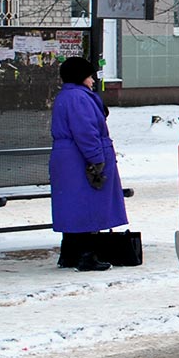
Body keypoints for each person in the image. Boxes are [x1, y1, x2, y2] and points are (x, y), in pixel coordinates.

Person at [50, 57, 127, 271]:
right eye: (89, 75)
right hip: (79, 158)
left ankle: (69, 253)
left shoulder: (67, 96)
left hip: (68, 157)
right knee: (87, 205)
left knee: (72, 205)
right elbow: (86, 131)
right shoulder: (79, 98)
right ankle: (86, 255)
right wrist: (96, 160)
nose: (93, 80)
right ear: (80, 76)